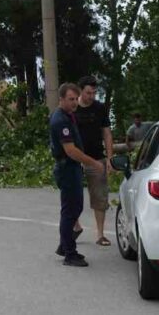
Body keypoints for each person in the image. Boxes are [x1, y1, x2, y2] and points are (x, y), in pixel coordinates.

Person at [50, 82, 104, 267]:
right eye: (71, 99)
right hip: (67, 168)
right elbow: (70, 150)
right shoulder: (60, 120)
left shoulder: (68, 115)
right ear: (61, 99)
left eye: (75, 99)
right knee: (70, 211)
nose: (74, 103)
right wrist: (93, 162)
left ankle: (66, 246)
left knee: (75, 208)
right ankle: (69, 253)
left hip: (72, 168)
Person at [73, 75, 115, 247]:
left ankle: (100, 234)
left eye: (94, 93)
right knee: (72, 195)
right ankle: (76, 226)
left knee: (100, 195)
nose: (91, 96)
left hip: (97, 158)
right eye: (88, 93)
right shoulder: (73, 108)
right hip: (74, 159)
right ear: (80, 91)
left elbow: (106, 133)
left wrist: (110, 158)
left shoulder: (99, 108)